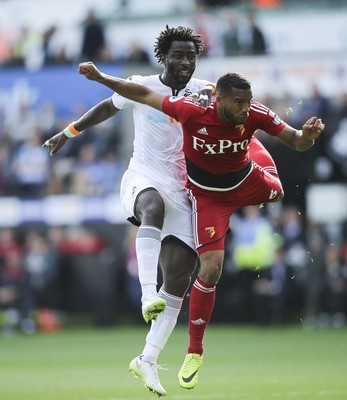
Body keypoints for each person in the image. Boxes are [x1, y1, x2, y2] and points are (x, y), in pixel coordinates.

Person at [75, 61, 325, 390]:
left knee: (277, 192)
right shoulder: (191, 111)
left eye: (248, 101)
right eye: (239, 102)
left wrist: (306, 137)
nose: (245, 107)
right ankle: (194, 351)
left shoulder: (254, 112)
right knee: (211, 269)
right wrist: (102, 78)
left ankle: (251, 152)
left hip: (245, 179)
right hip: (207, 199)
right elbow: (142, 93)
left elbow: (295, 141)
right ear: (219, 100)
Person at [43, 25, 216, 397]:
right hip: (143, 176)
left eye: (191, 56)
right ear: (164, 57)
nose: (185, 61)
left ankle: (147, 361)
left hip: (183, 192)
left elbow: (216, 108)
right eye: (179, 55)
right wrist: (68, 132)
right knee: (149, 207)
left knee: (180, 281)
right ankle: (145, 293)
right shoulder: (142, 86)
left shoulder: (204, 89)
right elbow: (108, 105)